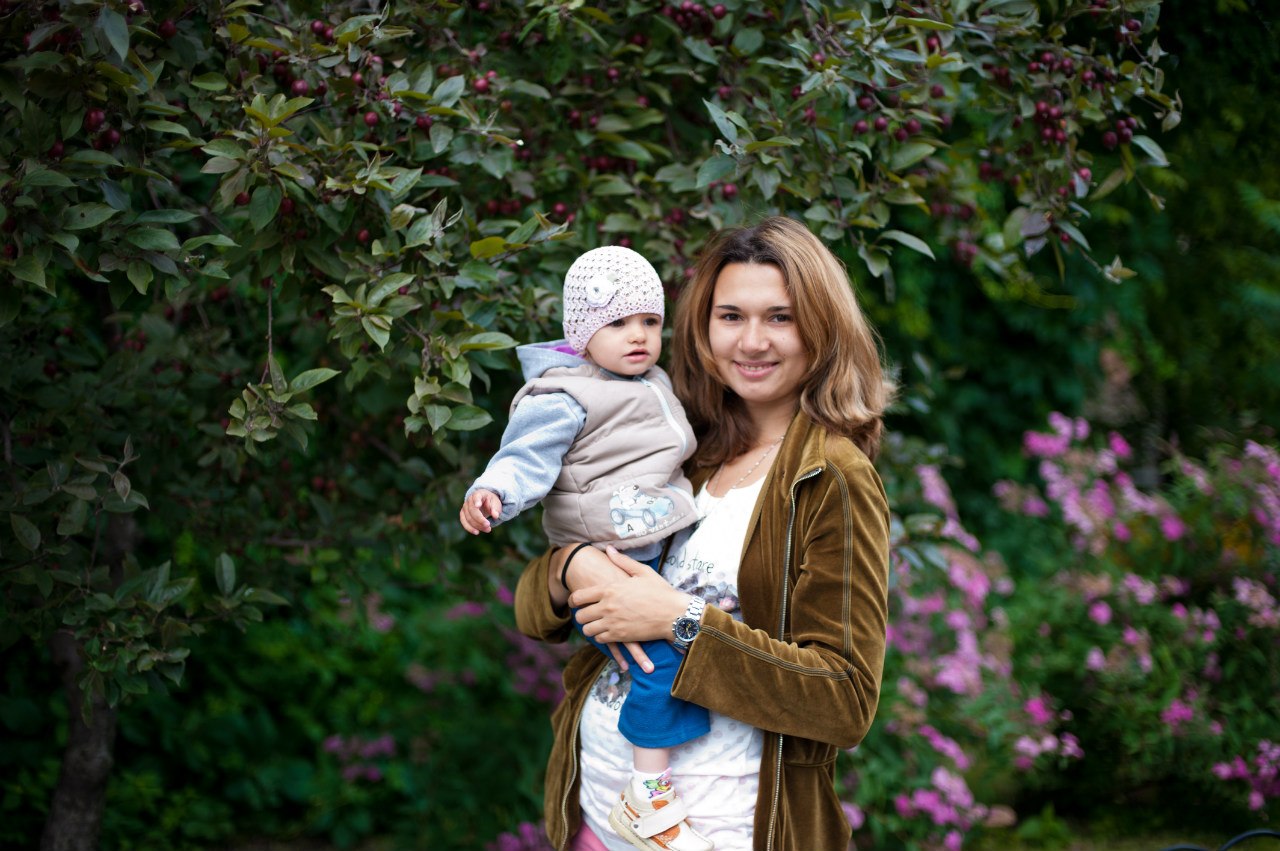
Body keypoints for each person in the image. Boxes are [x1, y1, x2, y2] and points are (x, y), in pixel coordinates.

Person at [514, 216, 893, 851]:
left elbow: (844, 701)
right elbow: (536, 612)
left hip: (725, 829)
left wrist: (679, 620)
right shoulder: (681, 445)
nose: (752, 341)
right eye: (730, 316)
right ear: (703, 327)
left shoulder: (831, 478)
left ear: (821, 327)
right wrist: (569, 565)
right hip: (598, 816)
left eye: (780, 317)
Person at [461, 245, 716, 851]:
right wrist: (493, 492)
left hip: (646, 553)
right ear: (581, 333)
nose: (639, 336)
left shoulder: (650, 381)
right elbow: (525, 456)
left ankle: (644, 786)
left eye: (650, 321)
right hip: (606, 564)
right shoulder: (563, 396)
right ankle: (647, 798)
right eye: (618, 323)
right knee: (659, 667)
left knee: (665, 660)